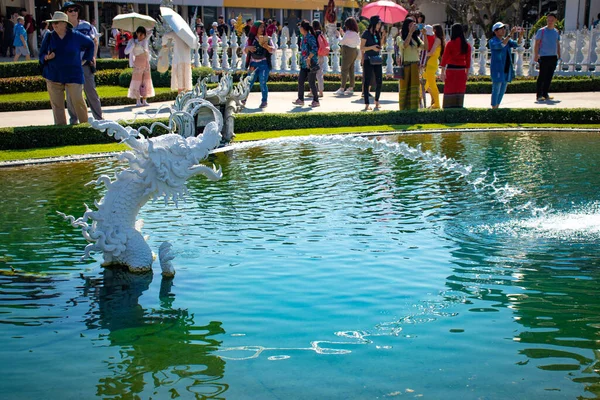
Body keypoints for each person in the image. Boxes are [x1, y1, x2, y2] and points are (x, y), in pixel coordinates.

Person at [39, 11, 94, 125]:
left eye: (57, 22)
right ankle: (61, 130)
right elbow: (41, 54)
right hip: (54, 75)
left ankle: (85, 127)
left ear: (64, 24)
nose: (54, 25)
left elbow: (90, 44)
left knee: (78, 101)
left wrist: (85, 59)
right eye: (53, 23)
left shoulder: (75, 35)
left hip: (73, 74)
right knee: (57, 105)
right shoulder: (49, 36)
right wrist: (47, 57)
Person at [62, 2, 102, 124]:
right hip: (70, 66)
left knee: (91, 92)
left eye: (75, 10)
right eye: (70, 10)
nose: (74, 12)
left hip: (85, 64)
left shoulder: (86, 25)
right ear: (65, 13)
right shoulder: (63, 28)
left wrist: (93, 56)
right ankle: (74, 120)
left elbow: (94, 41)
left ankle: (99, 119)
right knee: (71, 95)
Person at [489, 22, 523, 108]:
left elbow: (517, 44)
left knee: (503, 89)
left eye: (504, 28)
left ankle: (497, 106)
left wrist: (520, 35)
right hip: (497, 69)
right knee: (496, 88)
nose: (503, 30)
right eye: (501, 29)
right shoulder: (492, 41)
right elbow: (501, 45)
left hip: (506, 68)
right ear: (495, 31)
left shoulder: (507, 40)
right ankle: (494, 107)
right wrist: (510, 34)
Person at [243, 20, 274, 108]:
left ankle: (264, 101)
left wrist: (267, 46)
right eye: (260, 27)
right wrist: (248, 48)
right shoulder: (250, 39)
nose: (262, 29)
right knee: (249, 82)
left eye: (263, 27)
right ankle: (243, 99)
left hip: (264, 63)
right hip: (253, 64)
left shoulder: (267, 39)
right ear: (255, 28)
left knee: (263, 82)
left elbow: (274, 49)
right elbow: (244, 51)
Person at [397, 17, 426, 111]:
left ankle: (414, 108)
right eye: (410, 25)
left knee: (414, 88)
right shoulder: (399, 38)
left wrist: (425, 35)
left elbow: (425, 47)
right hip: (406, 66)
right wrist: (410, 33)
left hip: (415, 66)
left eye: (414, 25)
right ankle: (403, 109)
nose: (413, 27)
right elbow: (405, 45)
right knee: (405, 88)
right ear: (406, 26)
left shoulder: (416, 38)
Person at [440, 23, 471, 108]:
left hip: (451, 69)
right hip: (461, 70)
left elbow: (444, 58)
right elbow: (468, 61)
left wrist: (442, 72)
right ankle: (458, 106)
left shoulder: (450, 44)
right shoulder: (467, 45)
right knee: (459, 89)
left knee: (449, 89)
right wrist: (467, 73)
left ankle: (448, 106)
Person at [533, 12, 561, 102]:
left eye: (552, 20)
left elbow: (557, 43)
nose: (550, 21)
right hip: (544, 56)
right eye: (548, 20)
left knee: (549, 76)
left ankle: (545, 93)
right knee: (542, 76)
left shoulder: (556, 32)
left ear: (555, 20)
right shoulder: (542, 31)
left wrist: (559, 54)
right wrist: (536, 55)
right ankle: (539, 95)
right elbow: (537, 44)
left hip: (553, 56)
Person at [125, 26, 155, 107]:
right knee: (137, 81)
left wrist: (146, 28)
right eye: (140, 34)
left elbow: (150, 32)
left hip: (146, 62)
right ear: (137, 33)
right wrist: (132, 45)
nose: (142, 36)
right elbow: (126, 51)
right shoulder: (132, 41)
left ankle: (144, 99)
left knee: (146, 80)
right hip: (138, 62)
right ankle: (138, 100)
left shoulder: (145, 40)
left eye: (143, 35)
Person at [292, 20, 320, 107]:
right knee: (300, 80)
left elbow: (315, 49)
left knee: (311, 82)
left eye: (300, 26)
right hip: (304, 64)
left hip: (311, 63)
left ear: (303, 28)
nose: (299, 28)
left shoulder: (310, 37)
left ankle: (316, 100)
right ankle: (300, 99)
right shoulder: (303, 37)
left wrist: (309, 58)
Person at [360, 15, 383, 111]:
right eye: (378, 23)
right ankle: (366, 103)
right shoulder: (366, 33)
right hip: (368, 59)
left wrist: (383, 37)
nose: (379, 25)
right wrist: (372, 47)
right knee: (367, 81)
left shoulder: (377, 33)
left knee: (379, 80)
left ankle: (377, 101)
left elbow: (380, 46)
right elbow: (362, 47)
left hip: (377, 59)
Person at [334, 17, 360, 96]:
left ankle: (342, 88)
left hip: (347, 51)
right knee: (351, 69)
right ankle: (351, 87)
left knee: (344, 70)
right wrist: (343, 34)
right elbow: (356, 41)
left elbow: (341, 42)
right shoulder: (355, 33)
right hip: (354, 51)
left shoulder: (348, 33)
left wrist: (338, 36)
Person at [163, 28, 193, 93]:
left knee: (180, 81)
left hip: (179, 59)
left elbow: (165, 36)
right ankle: (185, 98)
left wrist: (164, 45)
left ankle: (181, 98)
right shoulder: (188, 34)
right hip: (185, 59)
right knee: (186, 81)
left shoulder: (176, 33)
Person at [423, 24, 444, 109]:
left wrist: (423, 55)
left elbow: (431, 52)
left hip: (431, 63)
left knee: (432, 84)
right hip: (431, 63)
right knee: (425, 84)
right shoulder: (437, 39)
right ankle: (420, 99)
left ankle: (437, 104)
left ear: (435, 31)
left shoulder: (437, 40)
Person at [312, 20, 328, 98]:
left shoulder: (313, 34)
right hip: (321, 54)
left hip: (314, 55)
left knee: (312, 73)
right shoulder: (322, 34)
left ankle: (312, 91)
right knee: (320, 73)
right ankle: (321, 91)